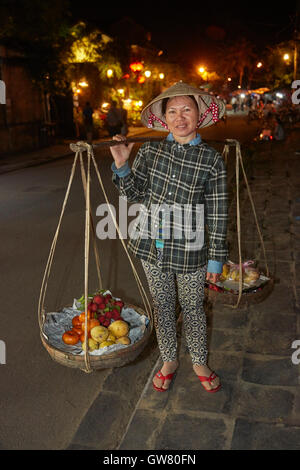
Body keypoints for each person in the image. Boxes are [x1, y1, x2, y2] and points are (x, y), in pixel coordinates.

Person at [110, 82, 228, 393]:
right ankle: (169, 360)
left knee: (192, 307)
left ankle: (199, 360)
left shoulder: (211, 160)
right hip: (152, 248)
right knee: (161, 306)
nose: (180, 117)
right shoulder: (150, 150)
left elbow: (217, 212)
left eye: (186, 109)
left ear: (199, 114)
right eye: (172, 111)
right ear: (164, 118)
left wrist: (216, 259)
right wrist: (122, 165)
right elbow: (133, 195)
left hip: (191, 251)